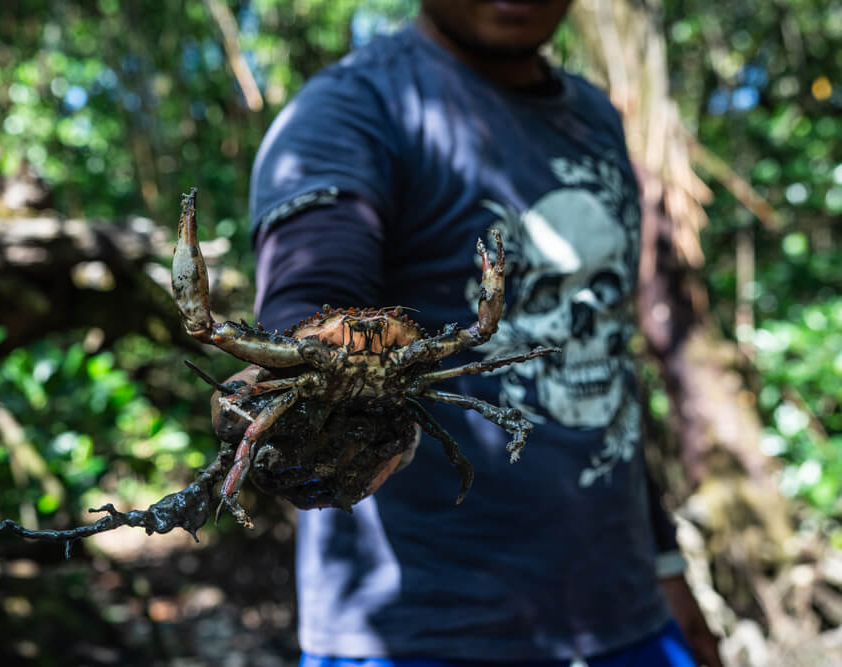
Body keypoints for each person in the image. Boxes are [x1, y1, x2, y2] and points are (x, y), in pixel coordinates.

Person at [234, 1, 724, 665]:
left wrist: (665, 561)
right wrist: (298, 372)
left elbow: (603, 358)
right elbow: (312, 285)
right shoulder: (349, 112)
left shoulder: (595, 119)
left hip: (624, 608)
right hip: (426, 632)